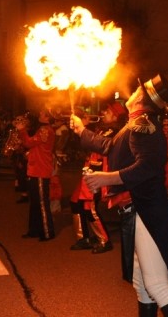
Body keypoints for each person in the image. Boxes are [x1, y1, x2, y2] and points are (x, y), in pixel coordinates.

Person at [70, 74, 168, 316]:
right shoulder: (137, 123)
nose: (133, 90)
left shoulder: (144, 125)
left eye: (138, 89)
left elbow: (149, 167)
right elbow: (110, 147)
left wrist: (108, 178)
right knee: (142, 285)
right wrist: (82, 131)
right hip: (140, 210)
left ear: (141, 99)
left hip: (146, 210)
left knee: (157, 285)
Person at [68, 103, 126, 254]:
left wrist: (83, 129)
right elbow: (84, 145)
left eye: (107, 111)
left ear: (115, 116)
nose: (103, 112)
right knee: (75, 202)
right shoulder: (102, 128)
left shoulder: (115, 131)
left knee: (90, 207)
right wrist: (78, 131)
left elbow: (98, 144)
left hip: (99, 173)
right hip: (89, 171)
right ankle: (83, 238)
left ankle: (103, 240)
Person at [19, 109, 56, 241]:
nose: (39, 114)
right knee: (34, 202)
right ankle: (34, 230)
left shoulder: (45, 130)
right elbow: (36, 146)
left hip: (41, 170)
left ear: (47, 117)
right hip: (35, 170)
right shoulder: (42, 129)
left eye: (41, 113)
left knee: (41, 203)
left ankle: (47, 232)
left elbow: (29, 142)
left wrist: (22, 130)